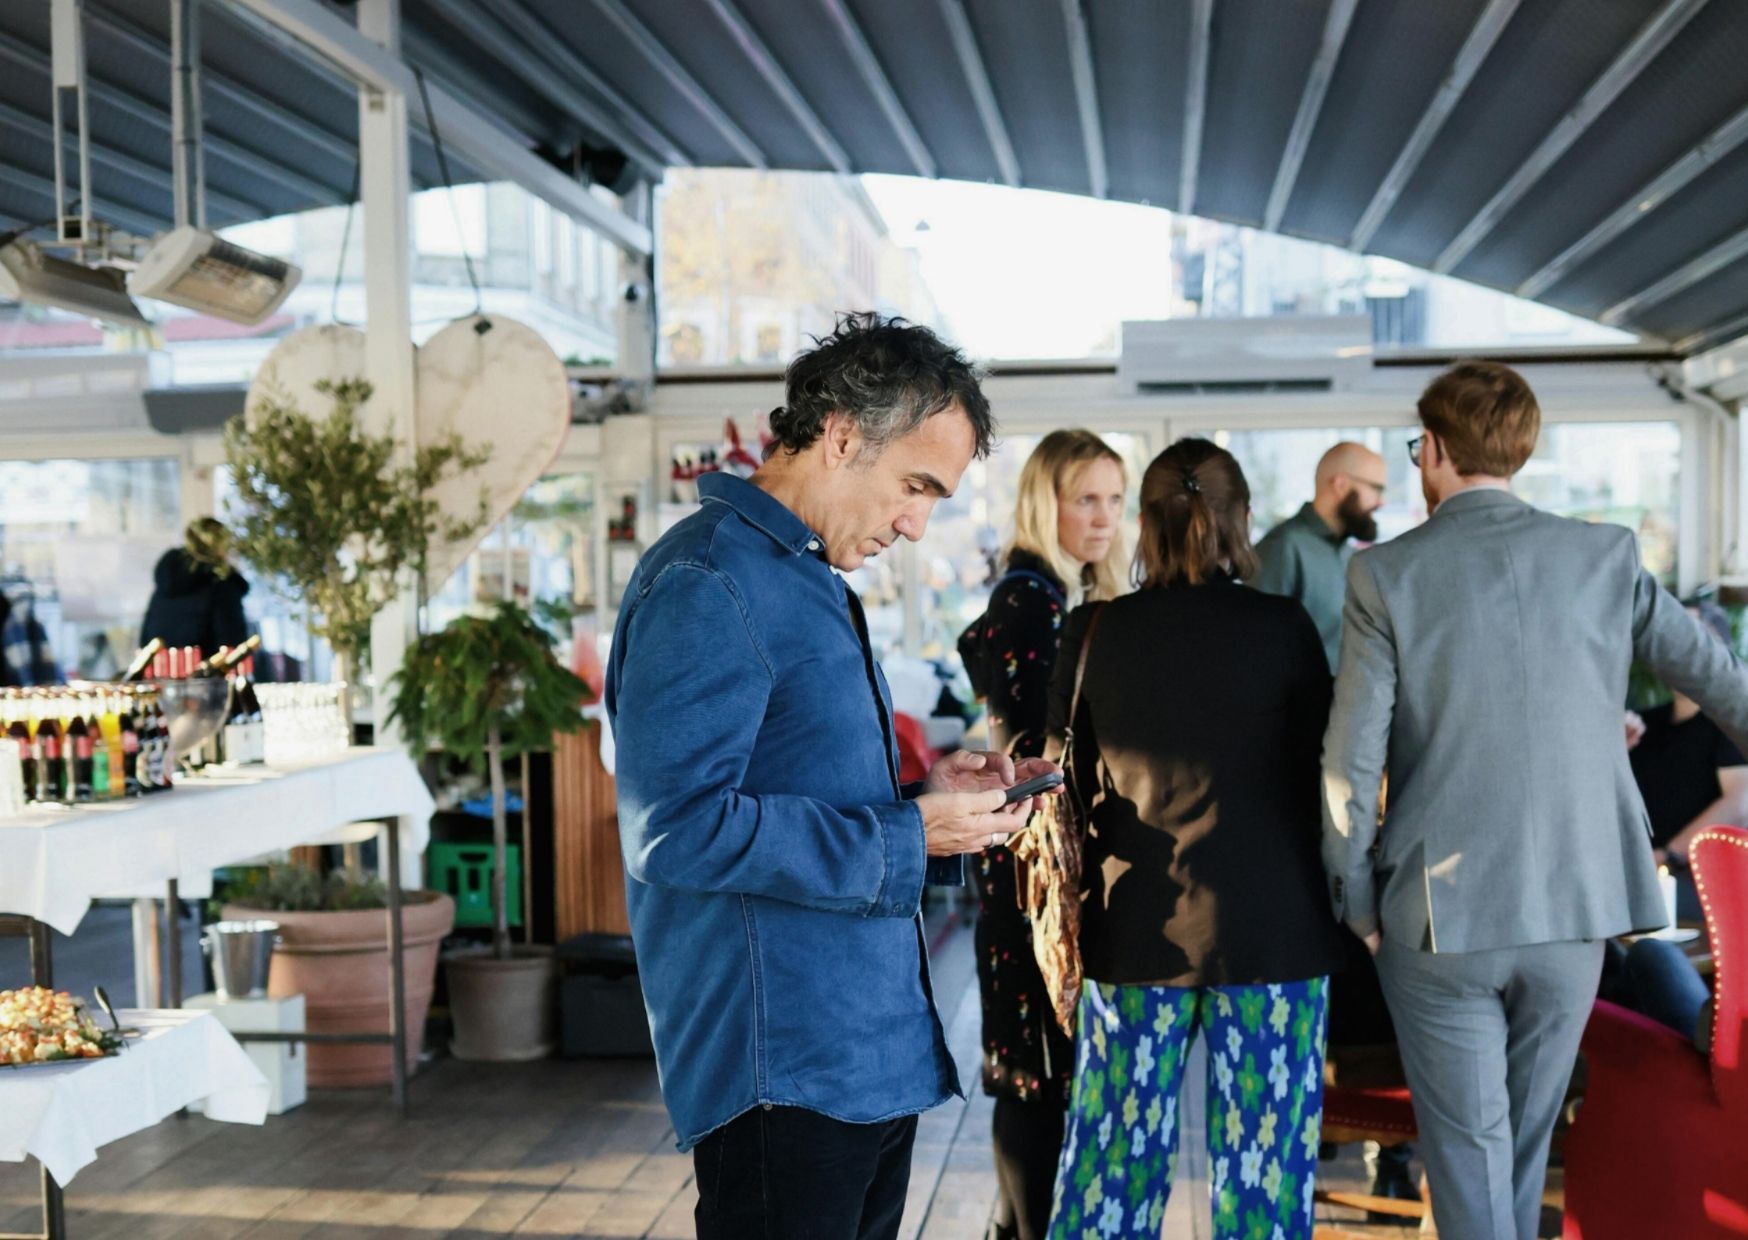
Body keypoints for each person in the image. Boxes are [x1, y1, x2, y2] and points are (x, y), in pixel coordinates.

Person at [605, 313, 1058, 1240]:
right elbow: (676, 827)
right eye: (915, 487)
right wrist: (909, 833)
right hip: (784, 1070)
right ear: (843, 436)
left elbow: (804, 795)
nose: (916, 524)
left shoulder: (806, 579)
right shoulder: (709, 580)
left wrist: (932, 802)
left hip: (862, 1055)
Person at [1320, 360, 1748, 1240]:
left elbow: (1350, 761)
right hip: (1575, 904)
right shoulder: (1605, 556)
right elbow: (1723, 682)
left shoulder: (1386, 574)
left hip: (1439, 912)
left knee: (1470, 1155)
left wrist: (1355, 900)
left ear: (1434, 447)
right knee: (1519, 1147)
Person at [1045, 438, 1348, 1239]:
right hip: (1274, 934)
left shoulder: (1096, 630)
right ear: (1240, 518)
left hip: (1136, 931)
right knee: (1264, 1185)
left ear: (1145, 523)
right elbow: (1327, 771)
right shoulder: (1284, 628)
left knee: (1110, 1178)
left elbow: (1062, 781)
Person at [956, 429, 1128, 1240]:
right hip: (1031, 876)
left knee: (1040, 1075)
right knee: (1034, 1076)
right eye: (1085, 499)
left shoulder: (1053, 592)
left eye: (1115, 500)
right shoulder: (1032, 599)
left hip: (1032, 869)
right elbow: (1030, 751)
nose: (1103, 517)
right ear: (1043, 501)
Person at [1627, 598, 1748, 918]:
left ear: (1718, 648)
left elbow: (1739, 804)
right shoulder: (1642, 724)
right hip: (1639, 884)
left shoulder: (1730, 722)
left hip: (1703, 884)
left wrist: (1666, 855)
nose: (1675, 648)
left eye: (1688, 637)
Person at [1252, 442, 1388, 673]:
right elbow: (1258, 646)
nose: (1381, 502)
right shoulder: (1283, 547)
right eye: (1376, 488)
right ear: (1340, 484)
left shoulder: (1349, 554)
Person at [139, 517, 250, 656]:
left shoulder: (165, 583)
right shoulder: (222, 585)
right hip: (208, 668)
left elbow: (145, 640)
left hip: (160, 667)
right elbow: (233, 647)